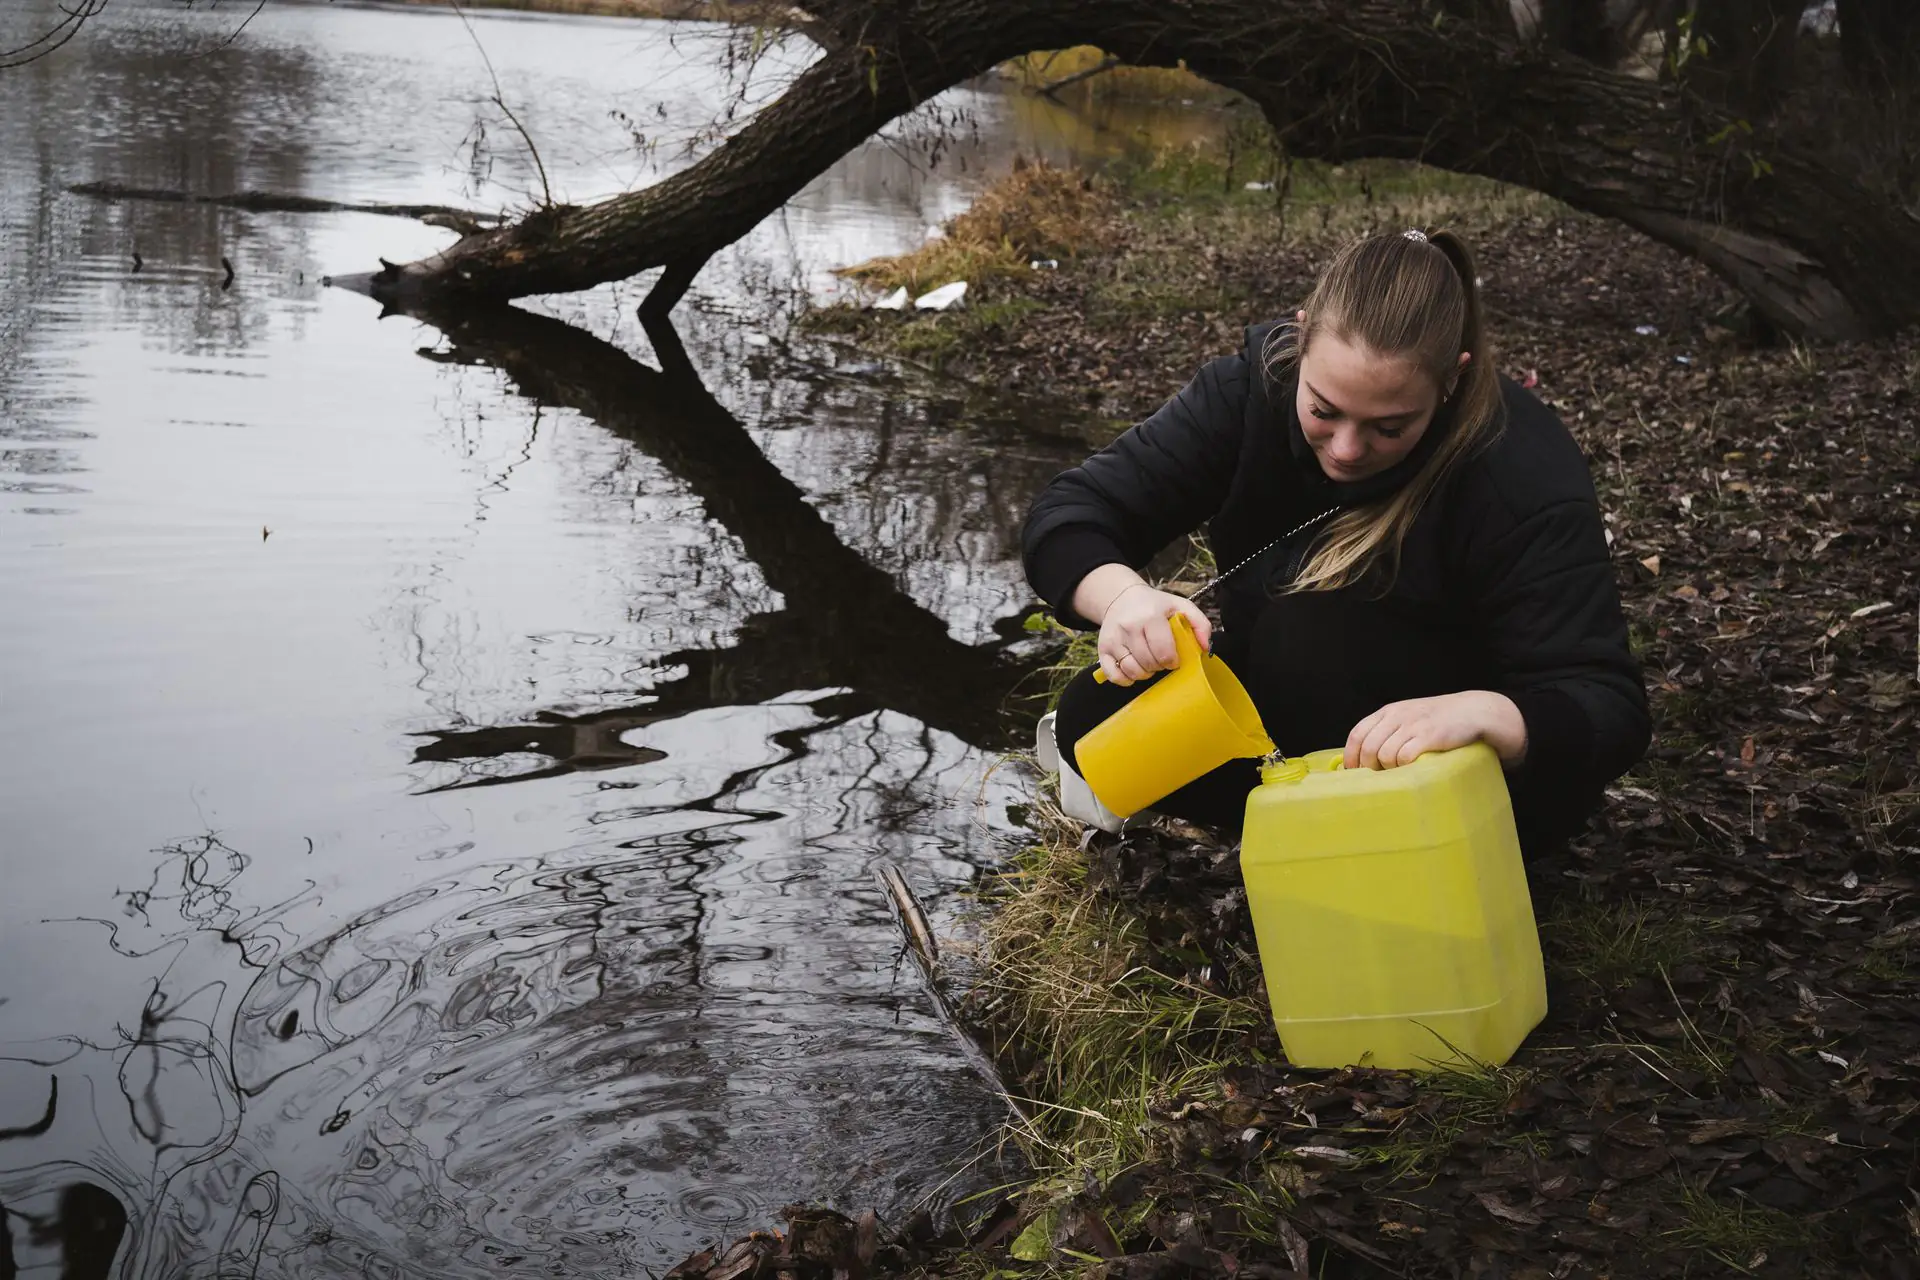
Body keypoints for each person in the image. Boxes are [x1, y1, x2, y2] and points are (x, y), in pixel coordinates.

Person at [1024, 228, 1649, 856]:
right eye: (1323, 411)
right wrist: (1124, 600)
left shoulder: (1521, 474)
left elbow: (1608, 706)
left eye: (1389, 426)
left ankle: (1372, 851)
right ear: (1300, 341)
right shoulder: (1250, 390)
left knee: (1308, 634)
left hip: (1454, 768)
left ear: (1451, 381)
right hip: (1292, 698)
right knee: (1093, 723)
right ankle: (1304, 830)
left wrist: (1487, 715)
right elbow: (1073, 511)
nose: (1347, 450)